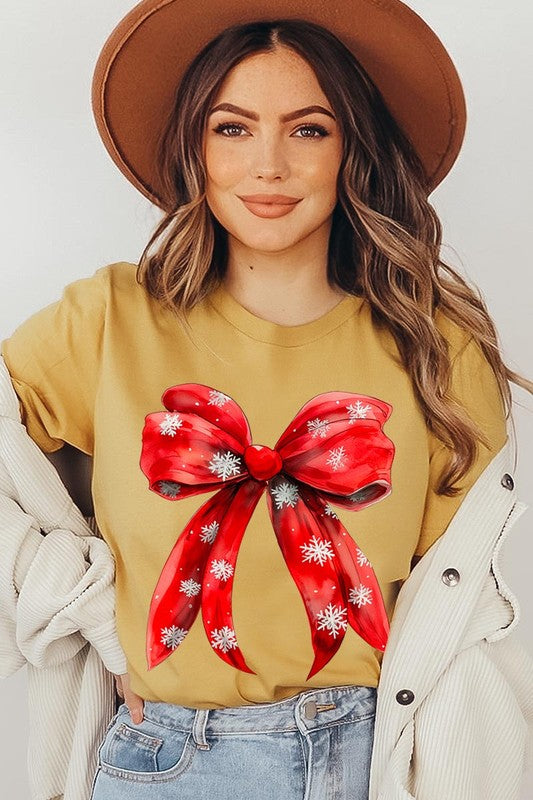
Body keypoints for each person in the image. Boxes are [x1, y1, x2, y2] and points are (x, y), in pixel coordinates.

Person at [1, 1, 531, 798]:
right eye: (233, 128)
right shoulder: (106, 321)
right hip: (166, 763)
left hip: (375, 759)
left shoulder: (434, 347)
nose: (269, 166)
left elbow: (456, 621)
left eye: (308, 129)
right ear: (195, 146)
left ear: (352, 148)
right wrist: (74, 600)